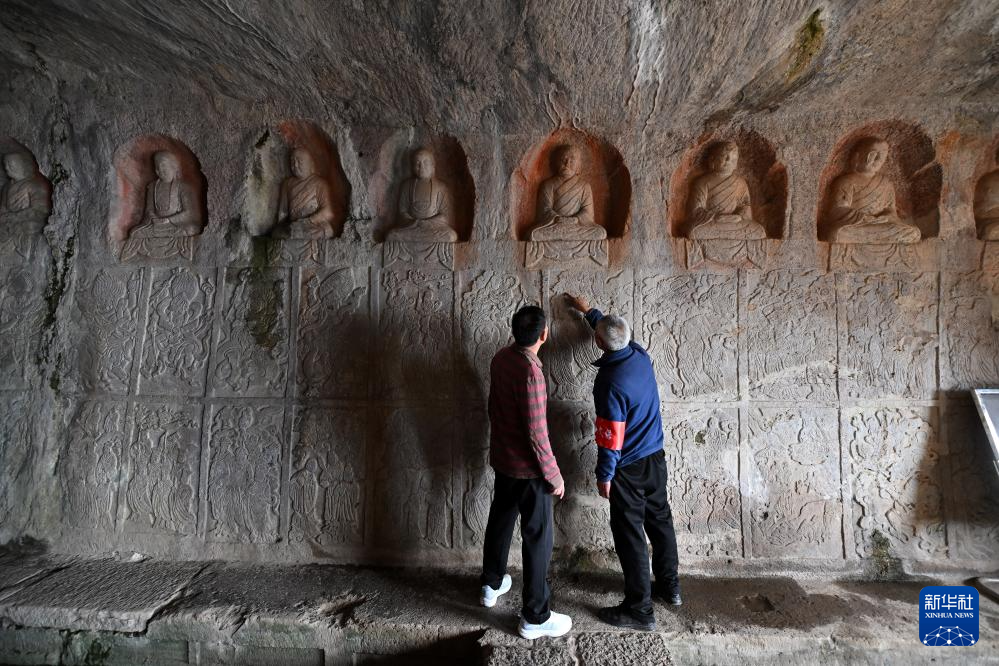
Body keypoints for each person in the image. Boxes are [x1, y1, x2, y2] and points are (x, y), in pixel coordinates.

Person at [564, 293, 681, 631]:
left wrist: (605, 475)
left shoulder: (609, 381)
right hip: (655, 459)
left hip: (627, 468)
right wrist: (590, 313)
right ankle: (670, 588)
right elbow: (613, 334)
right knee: (660, 521)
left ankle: (639, 610)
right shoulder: (640, 356)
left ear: (599, 343)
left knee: (630, 535)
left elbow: (609, 436)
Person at [479, 305, 573, 640]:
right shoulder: (531, 373)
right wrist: (554, 475)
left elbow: (493, 408)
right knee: (538, 538)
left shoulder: (501, 359)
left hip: (504, 460)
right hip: (529, 471)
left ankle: (491, 584)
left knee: (501, 521)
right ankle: (535, 616)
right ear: (544, 334)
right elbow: (537, 433)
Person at [530, 145, 606, 241]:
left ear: (578, 165)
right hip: (556, 226)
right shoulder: (548, 185)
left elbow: (588, 213)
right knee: (534, 234)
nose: (567, 164)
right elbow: (544, 210)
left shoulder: (584, 186)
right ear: (557, 162)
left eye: (572, 161)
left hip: (577, 226)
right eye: (563, 159)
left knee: (600, 233)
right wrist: (557, 218)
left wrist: (576, 219)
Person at [386, 147, 458, 242]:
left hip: (433, 228)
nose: (421, 167)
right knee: (391, 235)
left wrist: (428, 223)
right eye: (417, 163)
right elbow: (402, 212)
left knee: (451, 236)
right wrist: (414, 222)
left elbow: (446, 215)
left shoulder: (440, 187)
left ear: (432, 165)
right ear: (412, 166)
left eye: (426, 163)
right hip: (412, 227)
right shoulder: (407, 186)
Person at [275, 148, 337, 239]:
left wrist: (308, 221)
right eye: (292, 162)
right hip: (293, 226)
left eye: (299, 161)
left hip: (312, 224)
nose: (295, 165)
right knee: (278, 232)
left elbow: (328, 212)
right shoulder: (287, 184)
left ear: (310, 163)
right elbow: (283, 212)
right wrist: (282, 225)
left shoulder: (319, 183)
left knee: (324, 231)